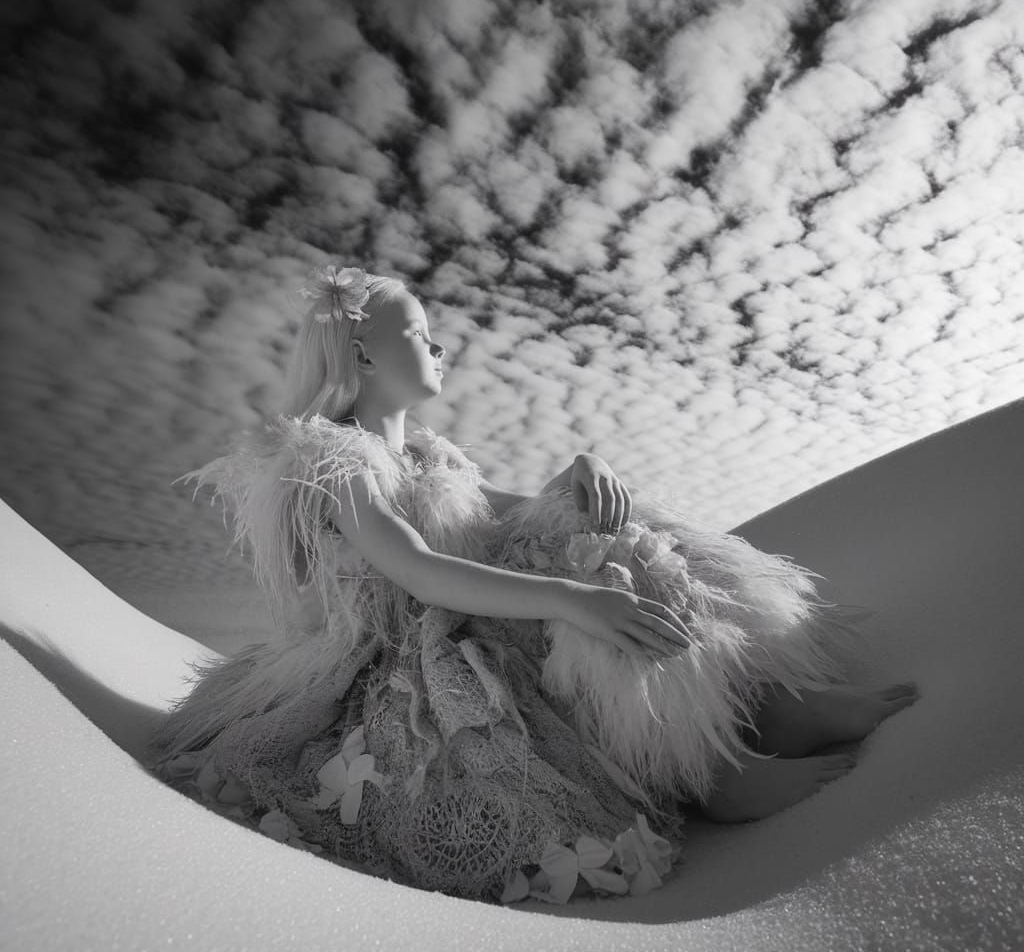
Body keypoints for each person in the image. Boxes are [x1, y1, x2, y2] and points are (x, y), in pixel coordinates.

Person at [149, 265, 917, 903]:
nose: (437, 345)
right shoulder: (340, 462)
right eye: (417, 332)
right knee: (580, 584)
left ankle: (766, 707)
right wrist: (568, 597)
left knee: (602, 527)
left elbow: (516, 513)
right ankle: (717, 774)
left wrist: (582, 468)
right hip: (413, 656)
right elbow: (418, 569)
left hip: (474, 619)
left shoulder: (431, 456)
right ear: (363, 355)